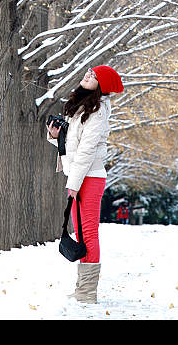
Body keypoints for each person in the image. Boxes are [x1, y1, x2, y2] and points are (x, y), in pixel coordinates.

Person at [47, 64, 123, 304]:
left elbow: (87, 151)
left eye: (94, 76)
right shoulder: (81, 106)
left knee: (88, 233)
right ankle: (82, 288)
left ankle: (88, 292)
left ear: (102, 86)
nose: (88, 75)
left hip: (90, 177)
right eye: (89, 72)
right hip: (80, 175)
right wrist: (55, 136)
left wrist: (74, 183)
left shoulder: (98, 110)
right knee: (80, 232)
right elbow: (73, 147)